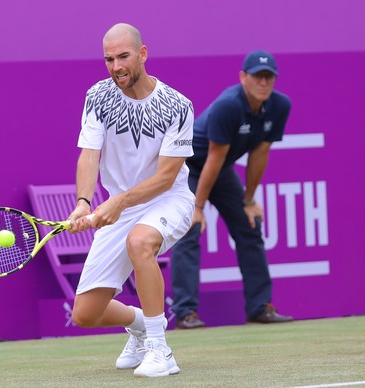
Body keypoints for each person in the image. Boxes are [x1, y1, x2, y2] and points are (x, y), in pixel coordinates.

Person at [67, 23, 195, 378]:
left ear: (142, 54)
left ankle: (160, 348)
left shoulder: (177, 105)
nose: (116, 66)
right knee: (85, 314)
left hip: (169, 201)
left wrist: (118, 202)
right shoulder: (97, 96)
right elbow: (89, 155)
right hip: (122, 206)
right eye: (108, 59)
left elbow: (166, 177)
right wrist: (82, 201)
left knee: (140, 242)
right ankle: (140, 326)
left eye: (123, 56)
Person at [170, 50, 293, 329]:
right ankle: (186, 313)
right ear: (243, 78)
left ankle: (259, 307)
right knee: (189, 228)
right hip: (189, 167)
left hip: (220, 169)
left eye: (269, 77)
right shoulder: (229, 105)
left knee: (250, 224)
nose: (263, 82)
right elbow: (213, 157)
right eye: (257, 76)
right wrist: (198, 208)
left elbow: (260, 154)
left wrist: (249, 200)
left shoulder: (280, 106)